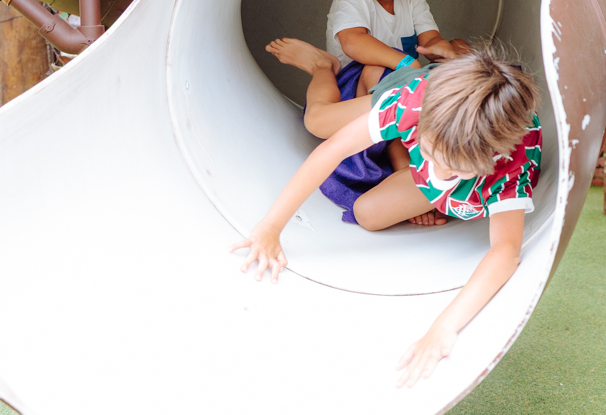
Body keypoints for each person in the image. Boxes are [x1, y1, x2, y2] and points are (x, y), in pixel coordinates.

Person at [232, 38, 541, 388]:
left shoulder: (511, 163)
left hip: (479, 141)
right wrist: (271, 226)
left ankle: (437, 130)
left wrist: (442, 328)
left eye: (454, 169)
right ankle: (329, 66)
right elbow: (333, 150)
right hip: (432, 90)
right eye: (429, 154)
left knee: (394, 207)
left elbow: (505, 251)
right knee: (339, 159)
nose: (437, 171)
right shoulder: (415, 101)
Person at [320, 0, 469, 224]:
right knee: (381, 70)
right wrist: (407, 62)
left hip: (404, 87)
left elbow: (431, 38)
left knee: (456, 52)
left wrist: (448, 51)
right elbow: (353, 43)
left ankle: (437, 162)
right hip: (355, 91)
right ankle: (405, 172)